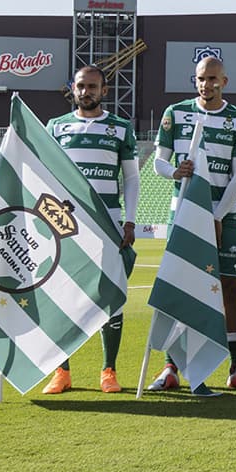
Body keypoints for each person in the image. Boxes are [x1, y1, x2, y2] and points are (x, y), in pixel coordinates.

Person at [147, 55, 236, 394]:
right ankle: (171, 367)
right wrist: (174, 172)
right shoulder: (175, 113)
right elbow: (159, 164)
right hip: (183, 213)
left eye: (212, 79)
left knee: (229, 288)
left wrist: (219, 215)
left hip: (225, 213)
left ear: (224, 81)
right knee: (179, 285)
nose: (205, 85)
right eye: (200, 79)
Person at [40, 65, 139, 394]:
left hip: (108, 223)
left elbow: (132, 179)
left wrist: (129, 220)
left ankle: (108, 370)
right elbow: (46, 175)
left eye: (93, 86)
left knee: (111, 297)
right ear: (73, 88)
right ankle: (61, 371)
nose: (86, 91)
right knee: (60, 296)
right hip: (66, 225)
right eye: (81, 86)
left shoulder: (121, 128)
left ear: (104, 90)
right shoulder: (55, 127)